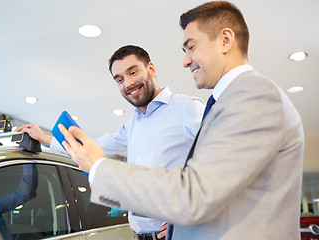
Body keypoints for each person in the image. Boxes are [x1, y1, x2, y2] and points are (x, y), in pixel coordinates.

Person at [57, 1, 305, 240]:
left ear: (225, 40)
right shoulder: (227, 102)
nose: (185, 61)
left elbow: (195, 196)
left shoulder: (253, 95)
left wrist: (99, 168)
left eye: (191, 47)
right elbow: (214, 190)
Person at [17, 45, 205, 239]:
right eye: (120, 79)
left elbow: (223, 169)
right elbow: (89, 149)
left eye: (133, 72)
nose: (128, 83)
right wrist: (44, 138)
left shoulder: (187, 108)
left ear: (151, 68)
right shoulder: (133, 125)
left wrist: (196, 219)